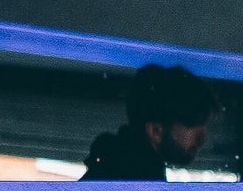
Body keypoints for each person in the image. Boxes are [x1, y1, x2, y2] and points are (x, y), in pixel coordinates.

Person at [80, 62, 219, 181]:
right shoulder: (139, 182)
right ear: (155, 131)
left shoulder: (115, 169)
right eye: (192, 124)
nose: (203, 138)